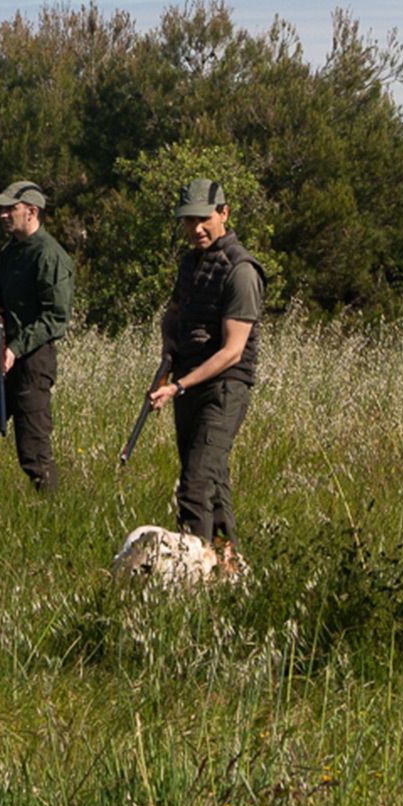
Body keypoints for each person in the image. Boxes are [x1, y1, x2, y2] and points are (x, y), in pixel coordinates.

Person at [148, 178, 266, 560]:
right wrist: (168, 353)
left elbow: (232, 352)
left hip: (223, 389)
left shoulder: (241, 270)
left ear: (223, 213)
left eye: (203, 219)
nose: (196, 228)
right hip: (188, 383)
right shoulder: (191, 263)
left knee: (195, 486)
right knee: (212, 482)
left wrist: (178, 386)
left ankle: (192, 573)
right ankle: (227, 569)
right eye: (188, 220)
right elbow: (174, 313)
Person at [0, 181, 73, 490]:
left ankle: (50, 513)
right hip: (1, 354)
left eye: (11, 209)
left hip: (33, 361)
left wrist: (16, 349)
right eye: (2, 209)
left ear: (31, 211)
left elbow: (56, 318)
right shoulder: (8, 252)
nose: (3, 215)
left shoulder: (50, 255)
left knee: (34, 455)